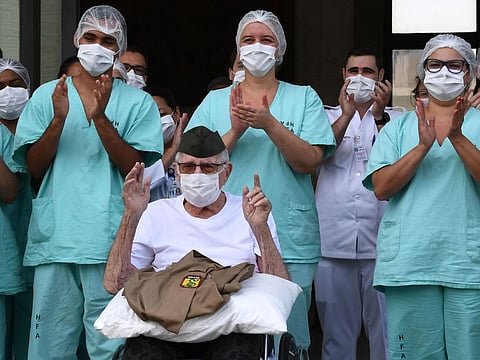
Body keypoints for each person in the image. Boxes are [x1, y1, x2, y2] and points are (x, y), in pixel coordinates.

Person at [12, 5, 163, 359]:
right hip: (57, 238)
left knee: (110, 344)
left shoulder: (138, 103)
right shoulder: (48, 96)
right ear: (77, 39)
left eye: (107, 40)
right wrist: (58, 120)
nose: (97, 45)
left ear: (118, 48)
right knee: (49, 346)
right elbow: (34, 167)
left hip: (109, 240)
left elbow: (134, 166)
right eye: (90, 37)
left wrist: (100, 118)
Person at [187, 10, 335, 356]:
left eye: (266, 40)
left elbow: (309, 161)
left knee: (290, 335)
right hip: (224, 234)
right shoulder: (214, 102)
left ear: (279, 50)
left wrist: (270, 123)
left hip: (290, 234)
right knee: (225, 334)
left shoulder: (304, 98)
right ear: (238, 49)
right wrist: (237, 130)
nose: (257, 47)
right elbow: (195, 162)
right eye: (248, 40)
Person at [103, 125, 288, 359]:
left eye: (208, 167)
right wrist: (131, 214)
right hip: (163, 325)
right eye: (189, 167)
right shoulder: (155, 213)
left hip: (231, 329)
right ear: (177, 172)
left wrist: (260, 229)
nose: (197, 174)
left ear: (226, 172)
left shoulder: (250, 213)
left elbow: (278, 286)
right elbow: (114, 284)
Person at [363, 34, 480, 359]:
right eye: (435, 64)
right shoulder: (398, 129)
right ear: (423, 74)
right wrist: (422, 147)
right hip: (412, 262)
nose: (444, 72)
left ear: (469, 74)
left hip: (468, 267)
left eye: (454, 64)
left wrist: (455, 137)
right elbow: (382, 187)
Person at [314, 46, 404, 360]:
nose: (360, 78)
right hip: (334, 241)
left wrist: (378, 117)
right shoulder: (324, 115)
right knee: (336, 338)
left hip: (383, 243)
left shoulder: (400, 119)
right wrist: (348, 113)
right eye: (354, 72)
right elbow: (319, 154)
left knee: (387, 336)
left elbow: (398, 162)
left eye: (368, 72)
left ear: (381, 77)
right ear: (343, 76)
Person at [0, 57, 32, 360]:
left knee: (30, 339)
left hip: (33, 246)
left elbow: (13, 190)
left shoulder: (38, 130)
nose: (8, 92)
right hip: (5, 252)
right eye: (0, 86)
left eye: (15, 84)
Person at [143, 85, 188, 201]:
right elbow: (142, 186)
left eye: (161, 115)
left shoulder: (192, 149)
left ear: (176, 113)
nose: (156, 122)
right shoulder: (136, 153)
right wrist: (173, 150)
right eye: (148, 118)